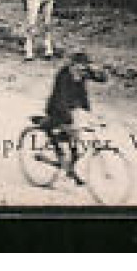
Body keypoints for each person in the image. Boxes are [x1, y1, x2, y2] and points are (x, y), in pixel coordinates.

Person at [44, 51, 106, 180]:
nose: (83, 68)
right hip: (58, 108)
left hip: (74, 108)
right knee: (69, 134)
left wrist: (97, 71)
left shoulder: (83, 74)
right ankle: (61, 157)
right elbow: (60, 97)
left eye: (85, 65)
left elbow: (103, 79)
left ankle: (70, 168)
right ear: (73, 65)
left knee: (77, 140)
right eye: (81, 65)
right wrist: (69, 118)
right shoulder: (64, 75)